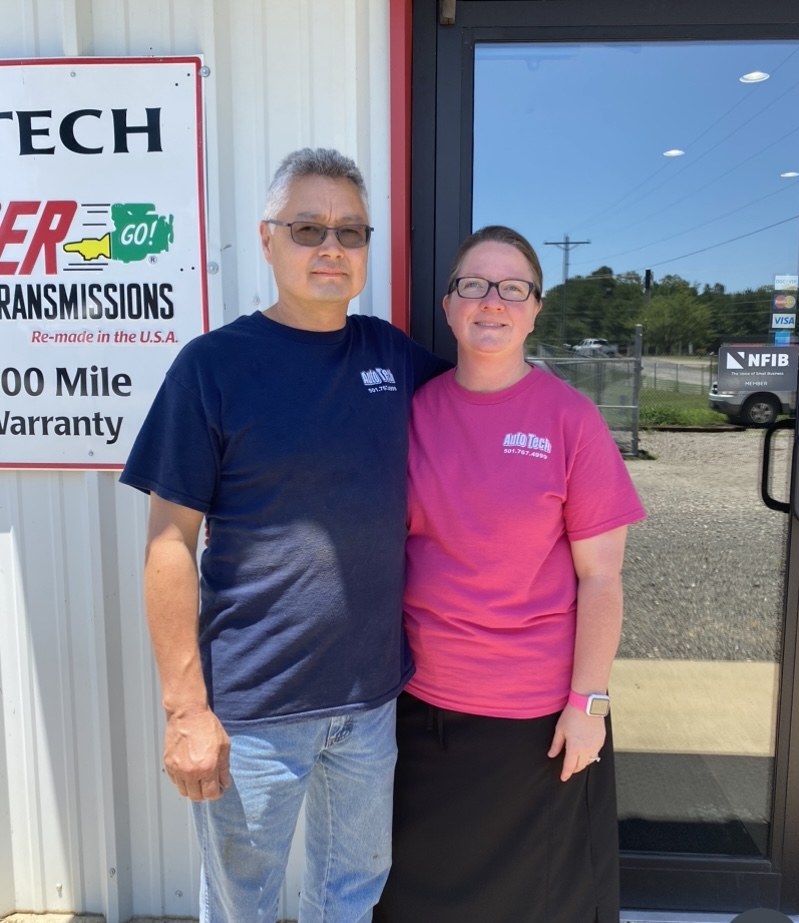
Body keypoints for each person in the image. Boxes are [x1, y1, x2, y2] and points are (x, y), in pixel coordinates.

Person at [120, 147, 449, 923]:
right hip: (255, 710)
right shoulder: (213, 367)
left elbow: (483, 401)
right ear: (268, 240)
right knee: (245, 906)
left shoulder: (390, 355)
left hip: (368, 703)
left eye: (350, 230)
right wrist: (186, 711)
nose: (331, 246)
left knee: (350, 896)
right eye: (308, 228)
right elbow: (169, 542)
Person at [374, 226, 646, 923]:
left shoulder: (570, 420)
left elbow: (602, 578)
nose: (492, 301)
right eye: (474, 284)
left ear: (534, 310)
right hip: (422, 715)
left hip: (538, 725)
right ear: (448, 305)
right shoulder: (412, 414)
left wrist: (589, 705)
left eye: (513, 288)